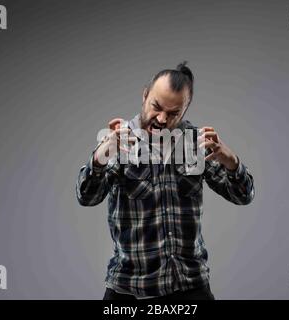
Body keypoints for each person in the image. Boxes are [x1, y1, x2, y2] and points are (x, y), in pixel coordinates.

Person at [76, 62, 255, 300]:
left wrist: (231, 161)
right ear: (145, 95)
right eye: (156, 107)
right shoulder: (119, 141)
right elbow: (86, 197)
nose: (161, 119)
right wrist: (100, 156)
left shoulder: (196, 143)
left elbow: (243, 196)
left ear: (185, 110)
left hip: (190, 286)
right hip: (132, 290)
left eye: (173, 114)